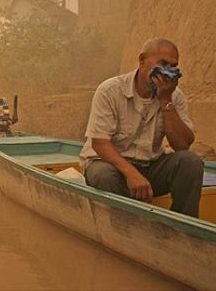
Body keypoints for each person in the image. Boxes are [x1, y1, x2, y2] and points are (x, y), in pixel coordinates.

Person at [79, 37, 203, 217]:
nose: (167, 71)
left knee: (190, 163)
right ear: (142, 60)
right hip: (111, 167)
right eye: (162, 64)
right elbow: (100, 142)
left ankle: (184, 231)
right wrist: (131, 174)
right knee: (104, 175)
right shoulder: (110, 90)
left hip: (150, 167)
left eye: (172, 66)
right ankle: (123, 230)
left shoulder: (174, 96)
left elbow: (182, 145)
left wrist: (165, 100)